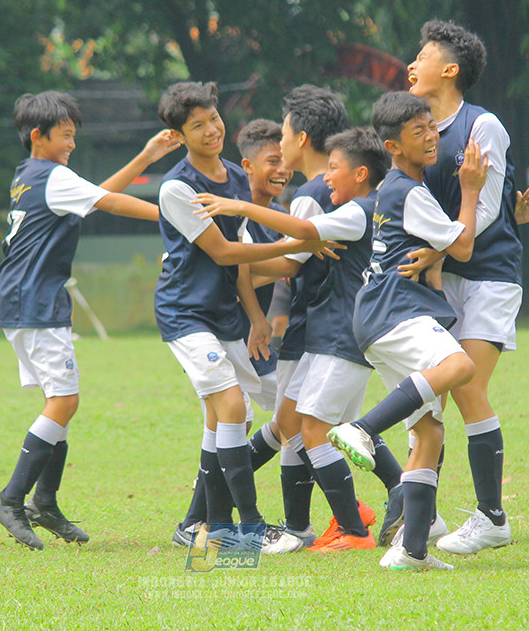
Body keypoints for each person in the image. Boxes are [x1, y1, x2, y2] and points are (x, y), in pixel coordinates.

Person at [0, 90, 181, 550]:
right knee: (64, 402)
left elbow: (95, 196)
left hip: (20, 299)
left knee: (60, 402)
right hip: (35, 301)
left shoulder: (29, 175)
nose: (72, 143)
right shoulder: (53, 176)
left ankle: (44, 503)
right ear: (39, 135)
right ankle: (11, 499)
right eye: (66, 135)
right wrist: (175, 218)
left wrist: (146, 157)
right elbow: (109, 202)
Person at [154, 82, 339, 549]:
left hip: (224, 314)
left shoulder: (236, 177)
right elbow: (223, 252)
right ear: (179, 135)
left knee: (221, 419)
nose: (211, 130)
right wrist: (301, 242)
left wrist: (257, 315)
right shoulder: (177, 187)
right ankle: (251, 528)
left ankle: (204, 526)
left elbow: (241, 259)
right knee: (233, 407)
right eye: (197, 125)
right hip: (184, 313)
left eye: (214, 118)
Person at [194, 127, 392, 553]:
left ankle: (355, 526)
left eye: (334, 169)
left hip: (338, 334)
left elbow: (297, 241)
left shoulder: (354, 208)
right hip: (330, 333)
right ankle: (309, 525)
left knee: (314, 429)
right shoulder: (371, 206)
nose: (327, 178)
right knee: (302, 425)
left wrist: (239, 217)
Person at [327, 91, 486, 571]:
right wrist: (472, 188)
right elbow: (463, 246)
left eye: (432, 126)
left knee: (429, 432)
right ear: (394, 147)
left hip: (376, 315)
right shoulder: (409, 191)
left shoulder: (396, 188)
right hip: (395, 310)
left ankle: (412, 551)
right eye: (419, 132)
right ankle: (362, 428)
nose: (432, 136)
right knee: (459, 365)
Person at [395, 20, 524, 554]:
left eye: (422, 56)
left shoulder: (482, 125)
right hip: (440, 278)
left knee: (467, 386)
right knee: (427, 402)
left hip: (489, 277)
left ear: (449, 70)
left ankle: (492, 518)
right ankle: (421, 516)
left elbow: (487, 208)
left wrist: (439, 249)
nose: (412, 64)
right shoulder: (417, 131)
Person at [171, 118, 292, 546]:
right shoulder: (200, 198)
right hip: (205, 322)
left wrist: (264, 309)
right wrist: (298, 253)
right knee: (244, 410)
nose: (282, 170)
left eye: (285, 161)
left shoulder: (272, 211)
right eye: (272, 161)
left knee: (236, 415)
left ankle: (199, 523)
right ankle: (245, 527)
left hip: (240, 327)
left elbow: (249, 266)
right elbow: (232, 260)